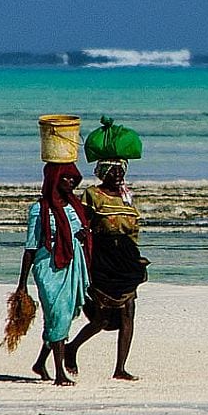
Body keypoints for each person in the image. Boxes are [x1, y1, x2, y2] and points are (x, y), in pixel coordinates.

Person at [63, 159, 147, 380]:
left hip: (126, 259)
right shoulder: (92, 194)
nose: (119, 174)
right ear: (103, 173)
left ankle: (120, 368)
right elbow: (82, 223)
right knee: (101, 317)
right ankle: (71, 348)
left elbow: (132, 228)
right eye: (114, 170)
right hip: (103, 258)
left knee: (128, 312)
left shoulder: (127, 195)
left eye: (121, 170)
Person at [18, 161, 91, 385]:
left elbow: (83, 230)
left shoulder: (75, 206)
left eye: (73, 179)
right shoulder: (38, 209)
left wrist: (81, 236)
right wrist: (22, 284)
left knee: (61, 317)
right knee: (57, 314)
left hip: (72, 264)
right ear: (53, 180)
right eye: (65, 178)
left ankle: (40, 364)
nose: (70, 183)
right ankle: (60, 374)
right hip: (47, 265)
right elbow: (30, 247)